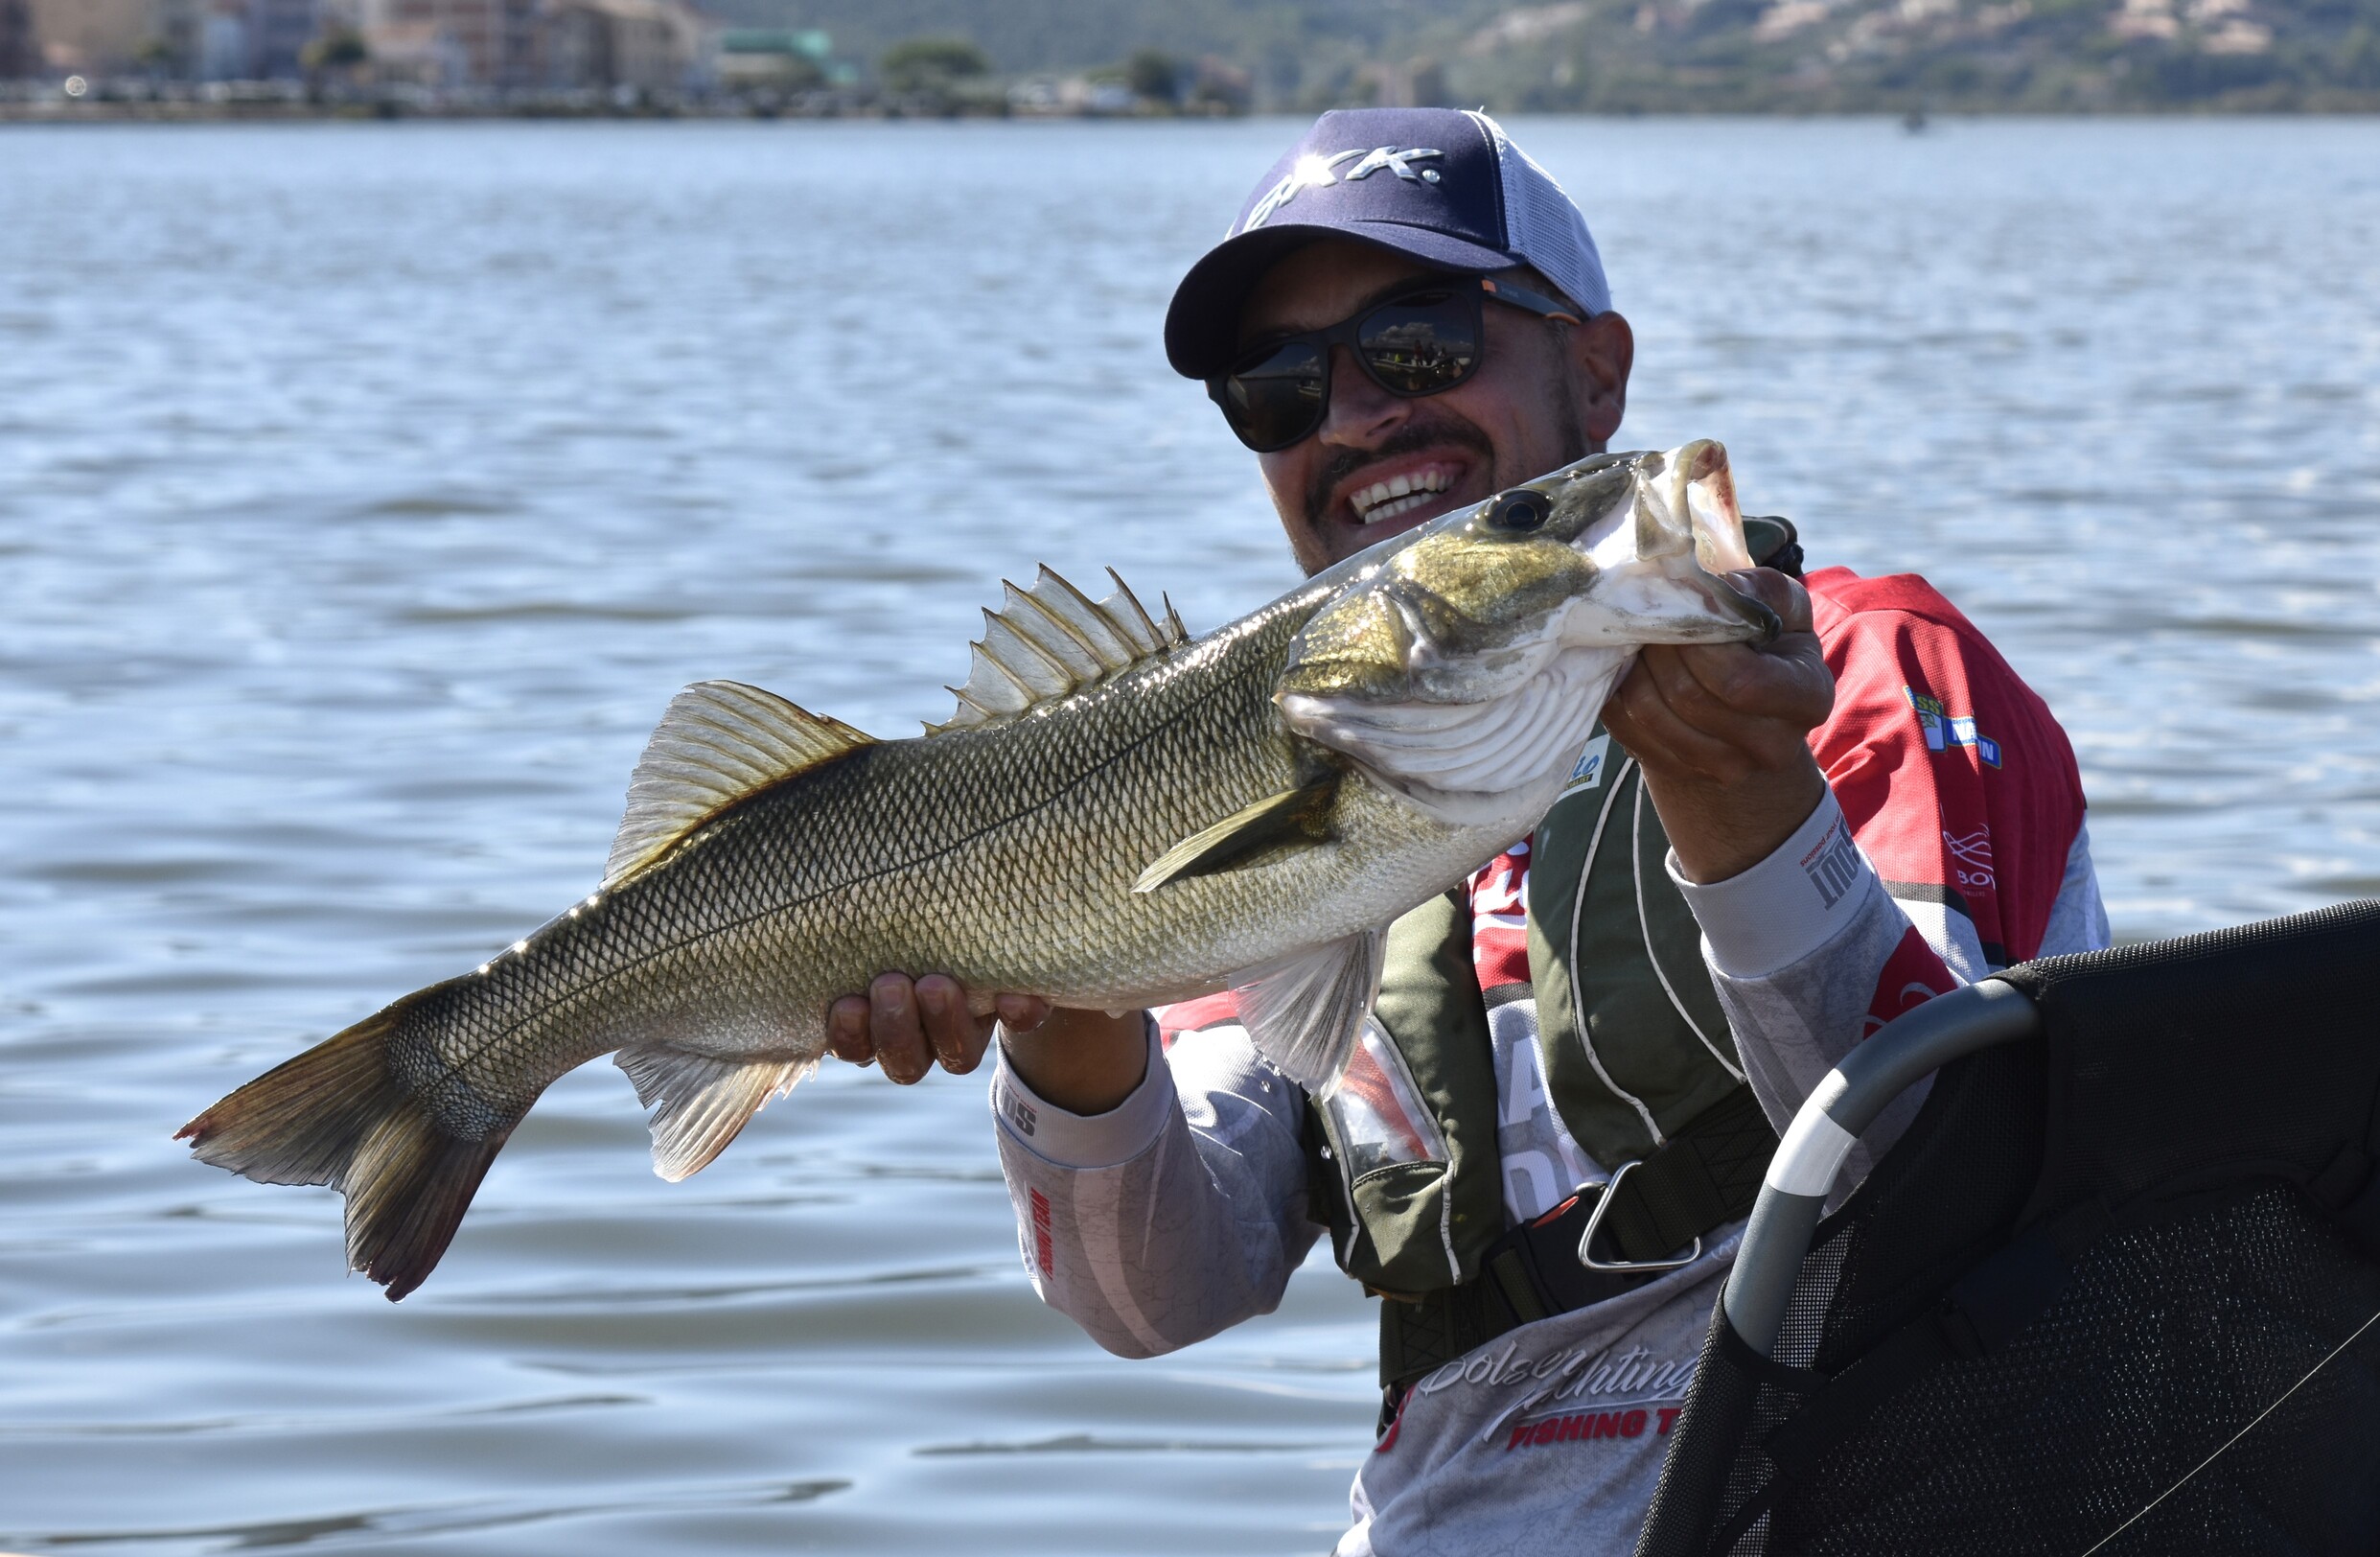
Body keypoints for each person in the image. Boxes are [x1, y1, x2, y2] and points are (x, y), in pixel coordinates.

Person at [819, 108, 2111, 1555]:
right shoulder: (1274, 777)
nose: (1357, 416)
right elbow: (1148, 1297)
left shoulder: (1865, 670)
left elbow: (1954, 1178)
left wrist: (1745, 802)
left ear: (1597, 371)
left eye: (1421, 342)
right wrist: (1065, 1017)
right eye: (1279, 388)